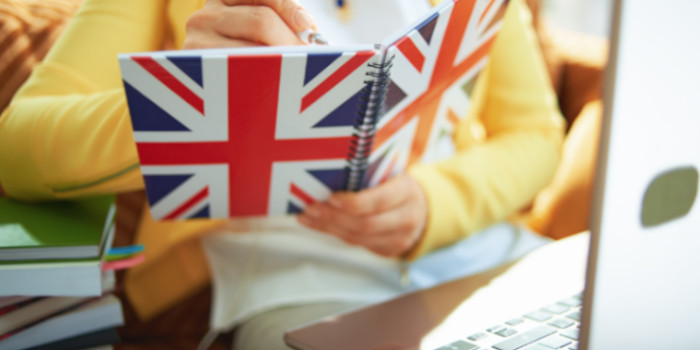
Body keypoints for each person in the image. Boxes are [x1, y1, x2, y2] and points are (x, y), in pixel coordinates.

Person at [0, 0, 564, 348]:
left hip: (483, 256)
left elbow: (538, 134)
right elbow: (17, 147)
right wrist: (186, 102)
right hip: (297, 281)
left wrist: (434, 202)